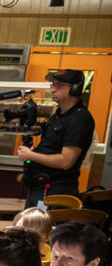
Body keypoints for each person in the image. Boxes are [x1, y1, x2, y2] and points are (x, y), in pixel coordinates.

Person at [19, 69, 96, 207]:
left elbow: (66, 161)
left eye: (59, 85)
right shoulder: (58, 114)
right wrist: (33, 153)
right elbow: (51, 149)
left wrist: (32, 155)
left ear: (75, 88)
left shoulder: (79, 119)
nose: (53, 89)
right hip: (40, 186)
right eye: (52, 85)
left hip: (57, 191)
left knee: (45, 229)